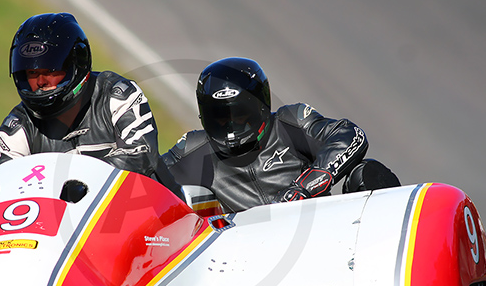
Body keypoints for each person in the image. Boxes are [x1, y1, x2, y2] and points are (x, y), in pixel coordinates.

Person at [162, 57, 400, 213]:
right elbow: (142, 178)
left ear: (261, 107)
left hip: (322, 232)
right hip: (243, 258)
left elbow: (351, 136)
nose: (232, 127)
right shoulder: (194, 149)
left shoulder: (290, 121)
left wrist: (302, 188)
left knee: (367, 175)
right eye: (220, 118)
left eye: (240, 115)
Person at [0, 12, 183, 199]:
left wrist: (72, 186)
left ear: (76, 66)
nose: (41, 82)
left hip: (152, 219)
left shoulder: (118, 94)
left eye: (51, 71)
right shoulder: (18, 124)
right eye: (32, 74)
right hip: (70, 230)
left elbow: (142, 155)